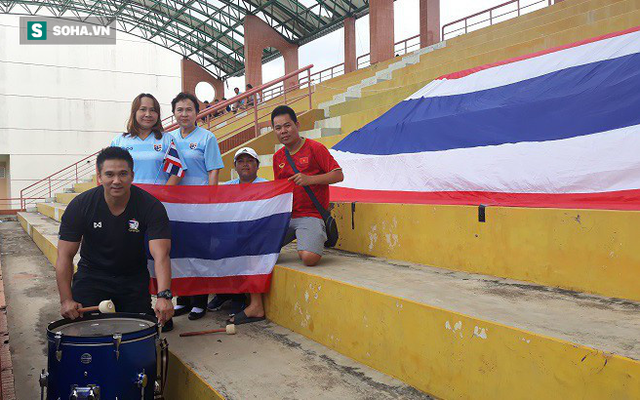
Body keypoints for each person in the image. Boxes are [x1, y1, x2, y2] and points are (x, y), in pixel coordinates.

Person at [55, 147, 175, 331]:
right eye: (109, 174)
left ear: (132, 175)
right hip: (92, 277)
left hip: (132, 278)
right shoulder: (80, 206)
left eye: (123, 174)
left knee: (141, 331)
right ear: (99, 177)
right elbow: (64, 255)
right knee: (85, 330)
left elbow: (161, 255)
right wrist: (66, 300)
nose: (116, 181)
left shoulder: (151, 206)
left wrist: (164, 296)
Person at [169, 92, 224, 320]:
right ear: (174, 113)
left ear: (196, 113)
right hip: (175, 205)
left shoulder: (207, 137)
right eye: (179, 110)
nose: (184, 114)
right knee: (178, 252)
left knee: (198, 253)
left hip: (199, 205)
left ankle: (199, 301)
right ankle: (182, 299)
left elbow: (213, 170)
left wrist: (209, 201)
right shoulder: (168, 138)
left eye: (188, 109)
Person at [271, 105, 344, 266]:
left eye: (287, 125)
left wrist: (309, 179)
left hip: (311, 215)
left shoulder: (315, 148)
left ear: (297, 125)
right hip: (287, 217)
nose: (283, 131)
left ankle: (309, 237)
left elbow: (338, 175)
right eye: (278, 128)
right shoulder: (278, 157)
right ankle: (302, 237)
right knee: (258, 250)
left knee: (309, 259)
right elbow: (279, 188)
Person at [207, 147, 268, 323]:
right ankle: (224, 293)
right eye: (240, 161)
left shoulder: (267, 186)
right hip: (233, 236)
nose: (245, 164)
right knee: (211, 246)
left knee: (244, 249)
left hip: (256, 237)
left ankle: (239, 298)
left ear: (257, 165)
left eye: (249, 160)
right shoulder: (227, 187)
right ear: (235, 166)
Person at [111, 93, 185, 185]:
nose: (148, 114)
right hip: (128, 198)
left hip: (158, 198)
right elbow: (111, 171)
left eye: (153, 110)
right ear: (134, 112)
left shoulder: (168, 140)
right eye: (143, 109)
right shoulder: (120, 141)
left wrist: (164, 192)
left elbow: (178, 172)